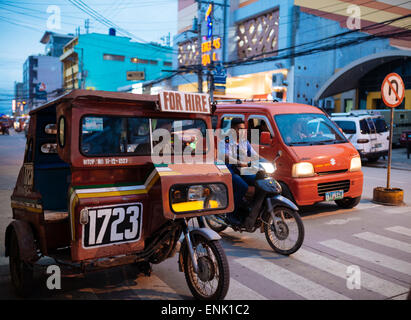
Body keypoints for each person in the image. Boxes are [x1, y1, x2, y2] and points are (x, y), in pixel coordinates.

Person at [219, 118, 259, 225]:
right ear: (232, 129)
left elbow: (255, 155)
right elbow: (224, 155)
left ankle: (250, 207)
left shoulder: (244, 142)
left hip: (242, 170)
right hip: (230, 171)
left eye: (243, 129)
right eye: (239, 129)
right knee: (242, 187)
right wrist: (238, 161)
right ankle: (231, 214)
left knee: (259, 181)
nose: (241, 132)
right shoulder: (225, 141)